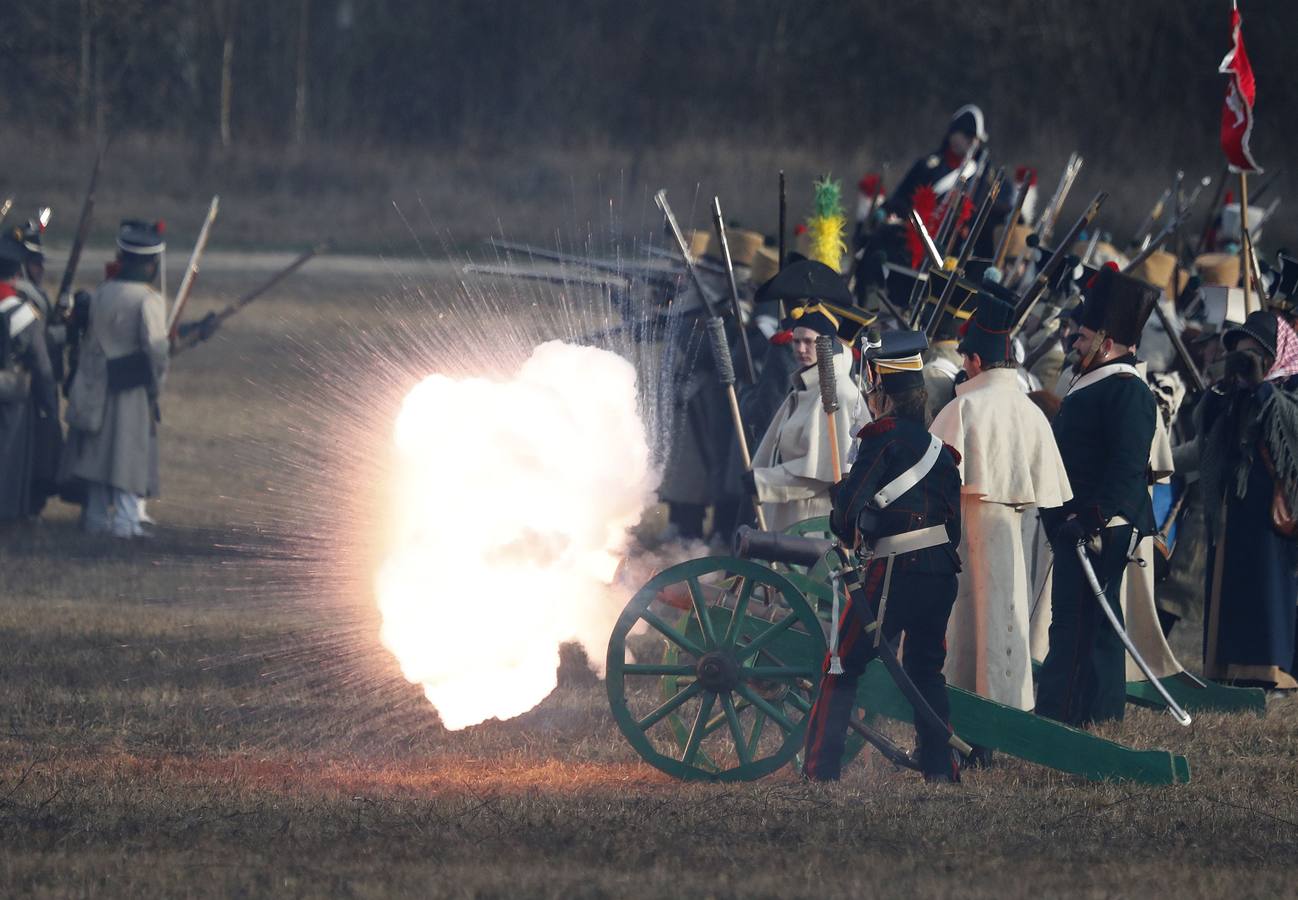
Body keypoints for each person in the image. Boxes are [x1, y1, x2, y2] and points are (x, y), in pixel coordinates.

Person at [803, 329, 963, 782]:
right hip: (941, 573)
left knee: (841, 665)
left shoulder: (882, 438)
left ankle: (820, 770)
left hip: (895, 573)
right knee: (927, 672)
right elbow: (952, 527)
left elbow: (847, 517)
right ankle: (940, 770)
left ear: (884, 395)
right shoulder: (942, 453)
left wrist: (841, 506)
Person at [929, 290, 1071, 712]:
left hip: (964, 531)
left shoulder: (964, 407)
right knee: (1004, 617)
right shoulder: (1030, 411)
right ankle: (1004, 704)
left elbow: (932, 480)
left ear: (975, 360)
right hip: (1014, 531)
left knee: (968, 619)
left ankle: (965, 701)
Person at [1035, 265, 1158, 726]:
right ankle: (1077, 711)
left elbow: (1127, 466)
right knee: (1077, 619)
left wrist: (1092, 518)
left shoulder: (1129, 391)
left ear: (1106, 343)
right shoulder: (1094, 382)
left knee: (1085, 622)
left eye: (1083, 338)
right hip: (1078, 523)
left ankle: (1071, 714)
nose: (1075, 344)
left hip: (1100, 526)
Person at [1200, 309, 1298, 688]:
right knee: (1232, 591)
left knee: (1268, 591)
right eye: (1240, 354)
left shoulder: (1289, 387)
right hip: (1233, 509)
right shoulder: (1233, 395)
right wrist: (1223, 389)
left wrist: (1263, 388)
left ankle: (1271, 670)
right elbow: (1208, 435)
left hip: (1272, 512)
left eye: (1253, 355)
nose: (1245, 362)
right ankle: (1228, 669)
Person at [62, 220, 170, 538]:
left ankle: (96, 517)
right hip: (131, 386)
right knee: (127, 456)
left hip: (98, 383)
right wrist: (157, 383)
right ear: (150, 264)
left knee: (98, 456)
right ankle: (125, 521)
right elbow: (156, 350)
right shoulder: (149, 299)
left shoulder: (102, 292)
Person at [747, 294, 868, 531]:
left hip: (812, 521)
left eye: (809, 342)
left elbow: (821, 475)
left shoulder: (839, 392)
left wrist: (763, 482)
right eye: (796, 341)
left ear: (825, 345)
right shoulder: (803, 386)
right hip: (787, 514)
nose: (801, 349)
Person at [0, 233, 58, 521]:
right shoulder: (20, 312)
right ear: (17, 271)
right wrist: (50, 405)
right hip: (11, 393)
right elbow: (41, 364)